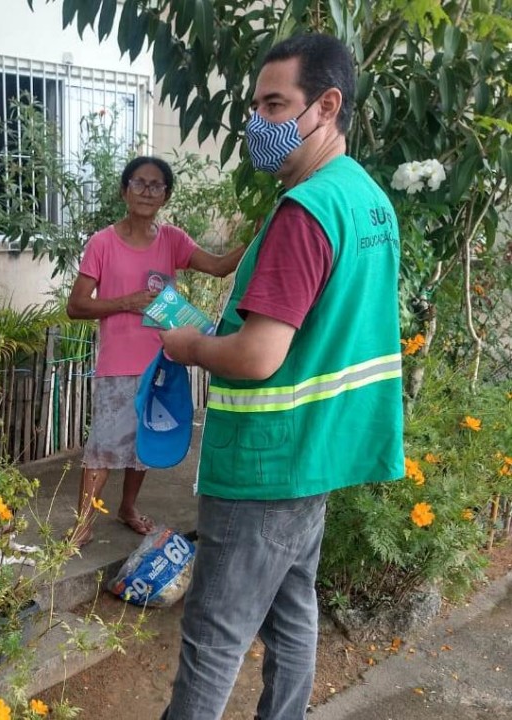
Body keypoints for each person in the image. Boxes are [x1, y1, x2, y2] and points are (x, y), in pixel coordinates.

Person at [158, 34, 404, 720]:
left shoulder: (303, 213)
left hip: (267, 461)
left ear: (326, 106)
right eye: (254, 105)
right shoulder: (367, 200)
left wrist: (189, 346)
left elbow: (258, 355)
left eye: (274, 104)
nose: (255, 124)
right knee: (292, 609)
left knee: (214, 632)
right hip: (319, 452)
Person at [65, 156, 244, 547]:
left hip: (161, 361)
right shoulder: (102, 243)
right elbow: (76, 305)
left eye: (156, 185)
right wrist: (125, 302)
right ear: (125, 189)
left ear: (165, 196)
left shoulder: (173, 240)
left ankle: (128, 508)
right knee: (103, 448)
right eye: (139, 183)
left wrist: (258, 239)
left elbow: (217, 267)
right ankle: (83, 523)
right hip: (117, 364)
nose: (147, 191)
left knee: (143, 445)